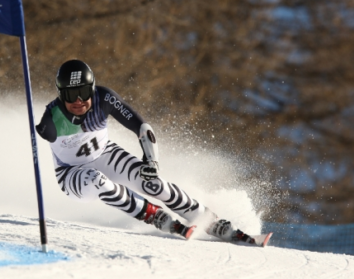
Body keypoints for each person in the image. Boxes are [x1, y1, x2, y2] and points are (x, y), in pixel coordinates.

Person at [36, 59, 258, 243]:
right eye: (70, 94)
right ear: (59, 94)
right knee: (98, 180)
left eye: (83, 92)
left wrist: (151, 161)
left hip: (106, 155)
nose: (78, 100)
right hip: (72, 173)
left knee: (153, 182)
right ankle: (154, 215)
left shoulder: (104, 98)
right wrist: (42, 131)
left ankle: (210, 220)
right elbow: (43, 132)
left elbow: (141, 127)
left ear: (92, 88)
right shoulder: (52, 117)